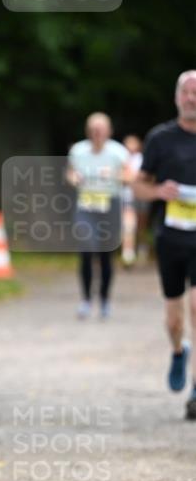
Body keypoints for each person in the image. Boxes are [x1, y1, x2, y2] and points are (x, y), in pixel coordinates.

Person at [133, 71, 196, 421]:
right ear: (177, 98)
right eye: (187, 92)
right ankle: (177, 350)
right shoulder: (160, 139)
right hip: (171, 237)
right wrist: (159, 192)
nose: (192, 98)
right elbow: (138, 187)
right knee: (175, 319)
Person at [67, 113, 132, 319]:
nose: (97, 133)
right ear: (88, 131)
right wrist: (74, 178)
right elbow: (69, 173)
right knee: (86, 250)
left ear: (109, 131)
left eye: (101, 129)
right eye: (93, 129)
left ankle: (104, 300)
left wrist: (113, 175)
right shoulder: (78, 150)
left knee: (105, 255)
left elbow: (130, 176)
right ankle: (86, 299)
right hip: (86, 205)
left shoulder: (118, 152)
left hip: (109, 205)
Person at [121, 134, 148, 266]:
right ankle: (128, 252)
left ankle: (142, 247)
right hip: (128, 196)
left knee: (141, 226)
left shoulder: (142, 159)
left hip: (142, 196)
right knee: (129, 225)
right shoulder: (122, 159)